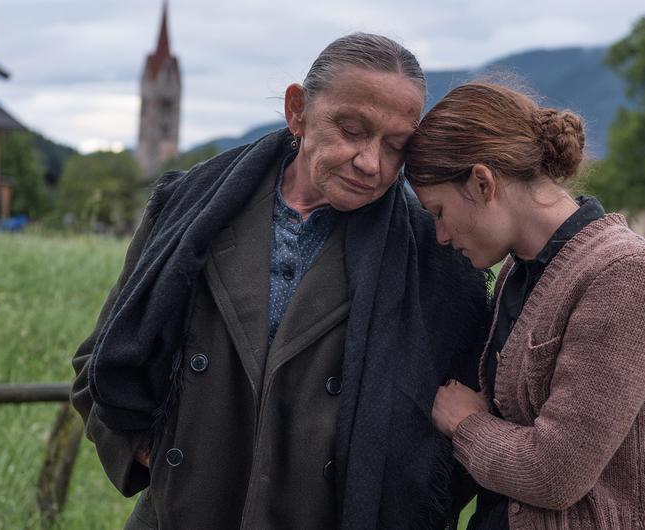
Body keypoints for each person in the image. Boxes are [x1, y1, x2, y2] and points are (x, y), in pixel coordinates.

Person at [70, 34, 488, 529]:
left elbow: (463, 428)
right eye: (352, 130)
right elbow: (101, 359)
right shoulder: (189, 209)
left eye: (396, 145)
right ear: (297, 111)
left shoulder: (435, 252)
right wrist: (150, 453)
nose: (371, 162)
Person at [404, 82, 645, 529]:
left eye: (439, 212)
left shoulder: (626, 274)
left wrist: (464, 424)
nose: (440, 235)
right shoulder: (519, 273)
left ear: (482, 182)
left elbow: (556, 473)